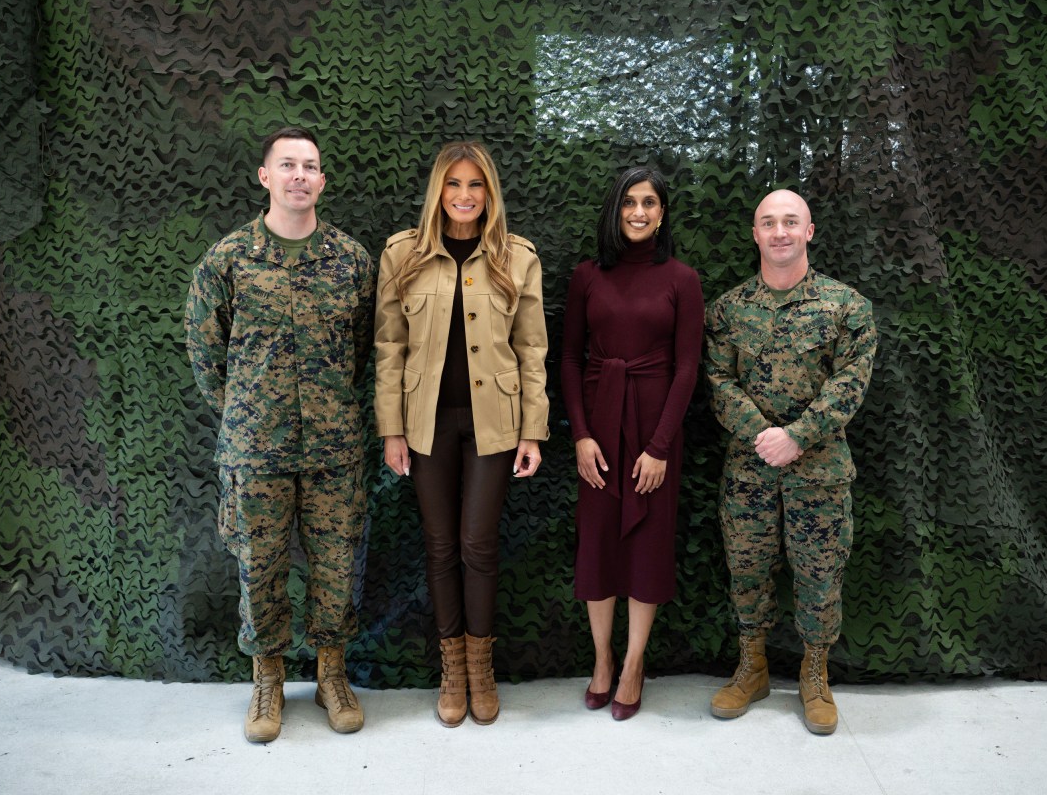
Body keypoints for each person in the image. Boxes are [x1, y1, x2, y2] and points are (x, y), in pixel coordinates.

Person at [184, 127, 375, 743]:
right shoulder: (229, 259)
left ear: (322, 180)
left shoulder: (351, 260)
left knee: (335, 565)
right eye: (287, 165)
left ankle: (330, 674)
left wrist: (337, 407)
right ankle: (267, 678)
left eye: (310, 166)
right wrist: (244, 413)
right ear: (265, 176)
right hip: (254, 449)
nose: (299, 175)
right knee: (258, 566)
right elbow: (205, 351)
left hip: (333, 448)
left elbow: (370, 348)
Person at [373, 140, 549, 727]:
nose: (465, 196)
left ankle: (481, 667)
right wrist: (391, 428)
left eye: (476, 185)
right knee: (441, 546)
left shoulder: (517, 257)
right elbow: (389, 346)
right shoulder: (403, 254)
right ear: (438, 191)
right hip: (426, 424)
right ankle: (451, 668)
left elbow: (531, 349)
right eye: (454, 184)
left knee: (478, 544)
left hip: (493, 424)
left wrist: (534, 430)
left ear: (490, 193)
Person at [704, 189, 877, 735]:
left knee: (820, 575)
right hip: (749, 471)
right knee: (747, 571)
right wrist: (763, 435)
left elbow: (852, 382)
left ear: (810, 231)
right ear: (755, 234)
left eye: (790, 222)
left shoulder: (846, 306)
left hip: (820, 473)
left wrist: (798, 436)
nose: (779, 231)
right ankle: (752, 666)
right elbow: (717, 379)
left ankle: (815, 674)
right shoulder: (728, 310)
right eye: (767, 222)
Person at [561, 167, 704, 721]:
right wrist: (580, 436)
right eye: (628, 203)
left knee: (646, 544)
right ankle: (601, 659)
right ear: (615, 211)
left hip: (654, 428)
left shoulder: (682, 279)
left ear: (662, 213)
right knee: (597, 543)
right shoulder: (587, 277)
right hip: (598, 424)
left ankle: (634, 664)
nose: (638, 212)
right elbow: (570, 360)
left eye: (649, 203)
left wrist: (661, 447)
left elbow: (688, 369)